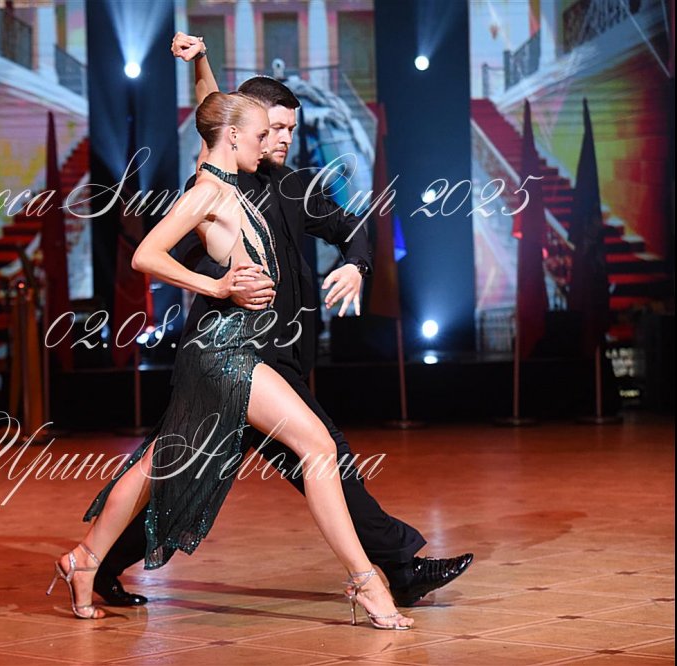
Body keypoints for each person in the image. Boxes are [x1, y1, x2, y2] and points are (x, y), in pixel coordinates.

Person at [89, 34, 472, 610]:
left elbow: (353, 227)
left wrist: (357, 265)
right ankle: (396, 569)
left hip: (280, 359)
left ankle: (95, 562)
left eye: (292, 128)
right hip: (233, 357)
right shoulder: (217, 180)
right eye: (276, 128)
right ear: (245, 129)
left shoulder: (293, 186)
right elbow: (212, 110)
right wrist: (201, 62)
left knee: (183, 470)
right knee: (316, 457)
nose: (286, 138)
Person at [49, 91, 414, 630]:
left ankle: (84, 559)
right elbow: (145, 255)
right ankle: (366, 582)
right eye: (263, 135)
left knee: (158, 464)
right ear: (235, 136)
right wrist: (217, 286)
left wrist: (200, 62)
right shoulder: (207, 190)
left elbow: (215, 107)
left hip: (238, 347)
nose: (270, 146)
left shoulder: (232, 177)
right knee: (316, 447)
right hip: (225, 350)